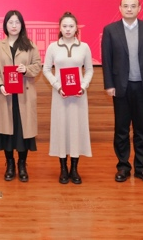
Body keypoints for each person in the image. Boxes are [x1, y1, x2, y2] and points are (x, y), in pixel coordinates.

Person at [102, 0, 143, 185]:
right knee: (121, 129)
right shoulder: (110, 30)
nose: (129, 9)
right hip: (121, 87)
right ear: (120, 8)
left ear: (139, 8)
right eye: (126, 6)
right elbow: (107, 60)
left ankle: (142, 168)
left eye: (133, 6)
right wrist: (109, 84)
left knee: (142, 129)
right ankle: (123, 166)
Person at [0, 10, 42, 182]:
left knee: (22, 132)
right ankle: (10, 164)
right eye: (10, 22)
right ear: (5, 25)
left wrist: (26, 69)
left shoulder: (30, 45)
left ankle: (22, 164)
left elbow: (37, 65)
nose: (14, 26)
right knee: (7, 132)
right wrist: (0, 85)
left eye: (17, 22)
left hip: (24, 95)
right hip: (6, 94)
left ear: (22, 25)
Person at [43, 12, 94, 184]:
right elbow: (46, 70)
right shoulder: (53, 47)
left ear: (76, 28)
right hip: (60, 96)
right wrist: (58, 86)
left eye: (71, 26)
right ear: (59, 28)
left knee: (76, 128)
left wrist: (83, 86)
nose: (68, 29)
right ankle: (63, 168)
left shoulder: (84, 47)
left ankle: (74, 168)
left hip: (79, 96)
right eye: (64, 26)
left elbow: (89, 70)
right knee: (61, 128)